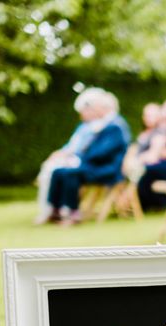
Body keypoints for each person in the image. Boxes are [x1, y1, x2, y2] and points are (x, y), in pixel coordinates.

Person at [46, 90, 131, 225]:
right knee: (59, 171)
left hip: (108, 169)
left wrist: (81, 157)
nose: (96, 111)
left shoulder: (116, 126)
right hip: (96, 166)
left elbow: (103, 152)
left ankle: (73, 213)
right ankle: (54, 210)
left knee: (71, 173)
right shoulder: (105, 125)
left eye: (98, 108)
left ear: (106, 108)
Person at [34, 87, 105, 224]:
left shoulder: (99, 127)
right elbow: (71, 145)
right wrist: (59, 154)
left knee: (65, 172)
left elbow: (83, 149)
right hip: (74, 158)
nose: (82, 114)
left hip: (81, 161)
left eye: (85, 110)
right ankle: (51, 208)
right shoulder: (82, 127)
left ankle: (66, 210)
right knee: (51, 170)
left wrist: (66, 155)